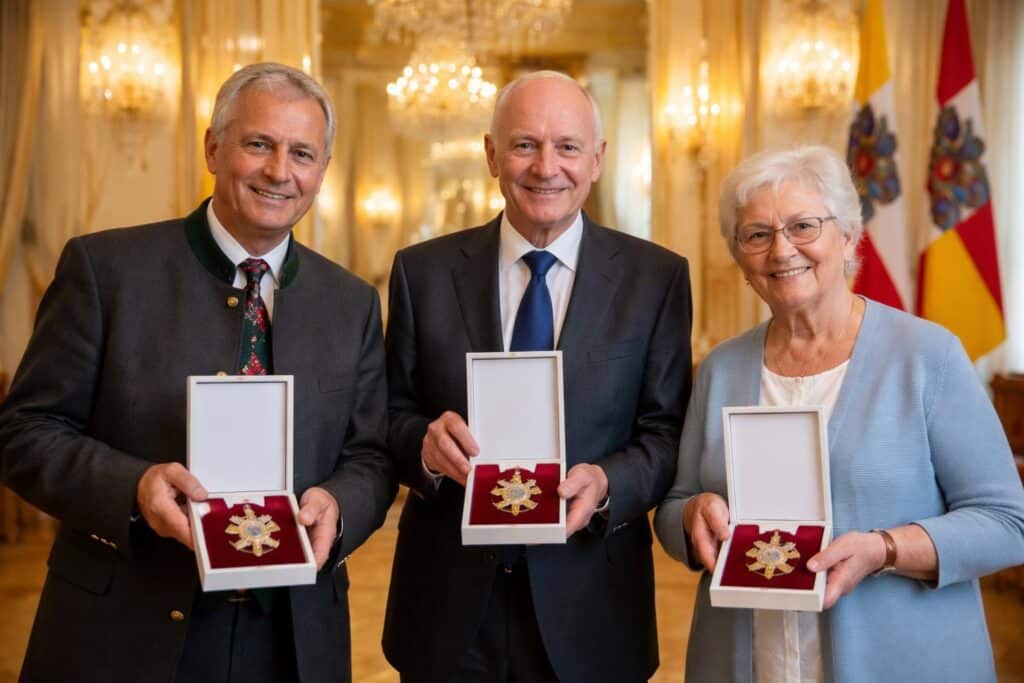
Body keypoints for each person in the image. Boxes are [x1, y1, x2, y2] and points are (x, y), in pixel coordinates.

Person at [0, 62, 395, 683]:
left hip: (295, 638)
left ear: (321, 171)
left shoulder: (351, 302)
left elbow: (371, 453)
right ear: (214, 147)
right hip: (121, 629)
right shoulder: (107, 271)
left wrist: (339, 506)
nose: (279, 172)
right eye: (258, 143)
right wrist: (133, 487)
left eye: (302, 154)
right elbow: (24, 433)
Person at [654, 145, 1024, 682]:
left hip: (902, 663)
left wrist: (885, 549)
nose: (782, 250)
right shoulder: (720, 368)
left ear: (849, 236)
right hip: (748, 661)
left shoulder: (928, 357)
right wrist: (692, 516)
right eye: (757, 234)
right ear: (739, 258)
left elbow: (1006, 522)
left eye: (803, 226)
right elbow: (673, 509)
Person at [382, 70, 693, 683]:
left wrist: (607, 482)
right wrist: (421, 444)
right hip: (446, 610)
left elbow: (666, 433)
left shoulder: (655, 279)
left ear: (597, 160)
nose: (545, 166)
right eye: (524, 144)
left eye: (568, 146)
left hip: (593, 612)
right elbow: (383, 417)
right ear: (492, 155)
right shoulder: (421, 272)